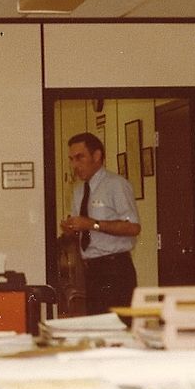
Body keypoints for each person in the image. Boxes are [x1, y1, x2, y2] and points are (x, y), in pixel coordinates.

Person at [60, 132, 141, 315]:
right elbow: (82, 230)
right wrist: (71, 229)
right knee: (98, 328)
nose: (75, 165)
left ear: (96, 156)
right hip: (90, 271)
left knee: (118, 329)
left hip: (115, 270)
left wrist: (92, 224)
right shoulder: (79, 191)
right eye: (72, 159)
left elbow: (133, 227)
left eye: (80, 157)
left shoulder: (116, 185)